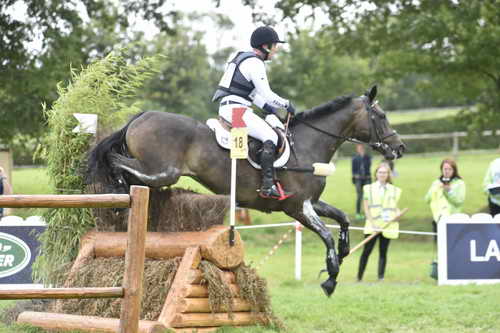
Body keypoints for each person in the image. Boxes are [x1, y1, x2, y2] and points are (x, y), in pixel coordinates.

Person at [212, 26, 296, 199]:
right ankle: (267, 186)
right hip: (236, 110)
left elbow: (252, 94)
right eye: (274, 45)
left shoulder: (243, 58)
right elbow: (267, 94)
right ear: (265, 46)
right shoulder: (255, 62)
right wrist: (286, 104)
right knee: (271, 137)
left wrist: (269, 109)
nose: (276, 49)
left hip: (231, 107)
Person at [357, 163, 402, 281]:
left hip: (387, 226)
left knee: (383, 252)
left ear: (388, 175)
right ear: (376, 174)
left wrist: (398, 213)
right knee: (366, 251)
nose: (382, 174)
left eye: (385, 172)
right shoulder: (368, 188)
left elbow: (395, 206)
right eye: (380, 172)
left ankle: (380, 277)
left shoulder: (393, 190)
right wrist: (373, 224)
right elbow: (366, 208)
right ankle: (359, 277)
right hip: (372, 226)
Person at [425, 159, 466, 242]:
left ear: (454, 170)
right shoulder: (436, 182)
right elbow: (427, 199)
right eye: (445, 169)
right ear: (441, 170)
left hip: (453, 219)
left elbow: (459, 201)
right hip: (438, 218)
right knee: (439, 245)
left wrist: (449, 191)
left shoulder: (459, 183)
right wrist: (435, 188)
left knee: (452, 245)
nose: (447, 171)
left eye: (450, 169)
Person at [351, 144, 372, 220]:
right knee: (359, 196)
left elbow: (368, 166)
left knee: (368, 196)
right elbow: (353, 170)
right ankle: (358, 213)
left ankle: (368, 213)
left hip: (367, 178)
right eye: (359, 148)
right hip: (358, 180)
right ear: (357, 149)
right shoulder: (354, 158)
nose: (360, 149)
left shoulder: (367, 157)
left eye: (362, 148)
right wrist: (355, 176)